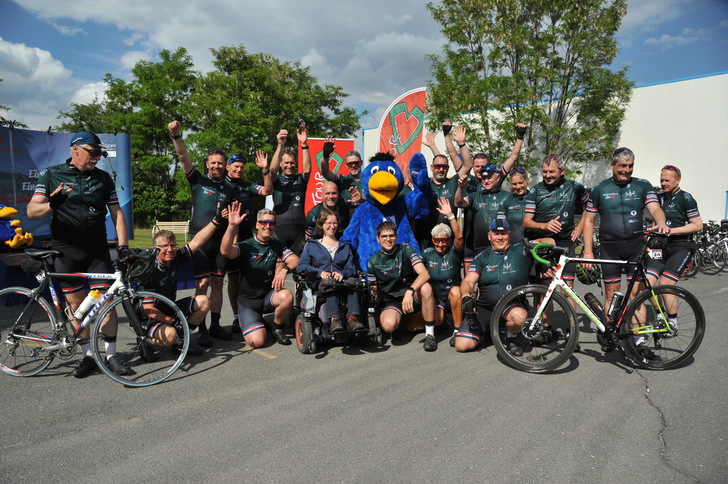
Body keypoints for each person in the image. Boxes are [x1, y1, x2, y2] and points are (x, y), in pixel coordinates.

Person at [27, 131, 130, 378]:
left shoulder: (103, 178)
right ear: (76, 150)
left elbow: (116, 214)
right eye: (92, 152)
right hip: (65, 249)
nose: (97, 157)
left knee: (106, 302)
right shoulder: (52, 175)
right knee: (75, 305)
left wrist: (123, 246)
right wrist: (54, 202)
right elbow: (32, 211)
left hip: (96, 249)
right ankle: (88, 356)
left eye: (99, 153)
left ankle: (111, 355)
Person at [581, 147, 670, 336]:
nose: (627, 170)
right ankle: (610, 333)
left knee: (636, 296)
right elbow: (588, 221)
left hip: (635, 247)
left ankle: (639, 342)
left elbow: (654, 208)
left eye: (630, 166)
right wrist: (588, 251)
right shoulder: (600, 189)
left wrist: (661, 221)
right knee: (611, 293)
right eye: (622, 166)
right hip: (610, 248)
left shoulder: (642, 185)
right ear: (612, 165)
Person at [136, 218, 223, 357]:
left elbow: (197, 242)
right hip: (148, 318)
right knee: (170, 335)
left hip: (168, 309)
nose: (169, 249)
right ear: (155, 249)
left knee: (204, 301)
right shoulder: (150, 270)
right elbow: (148, 310)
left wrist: (215, 222)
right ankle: (145, 341)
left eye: (173, 245)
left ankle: (180, 343)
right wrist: (174, 323)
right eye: (164, 246)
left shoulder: (174, 258)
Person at [220, 202, 299, 348]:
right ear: (257, 225)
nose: (267, 226)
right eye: (264, 222)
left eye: (271, 223)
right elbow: (226, 251)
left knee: (287, 296)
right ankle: (252, 321)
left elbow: (295, 260)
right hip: (247, 302)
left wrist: (284, 270)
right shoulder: (246, 245)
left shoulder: (277, 244)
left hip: (267, 298)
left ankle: (276, 327)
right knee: (258, 341)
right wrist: (231, 226)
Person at [456, 219, 533, 354]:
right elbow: (468, 281)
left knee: (519, 317)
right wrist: (466, 296)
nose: (500, 237)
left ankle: (511, 337)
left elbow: (548, 242)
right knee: (461, 346)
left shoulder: (521, 250)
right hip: (485, 309)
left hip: (510, 306)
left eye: (503, 233)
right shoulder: (482, 257)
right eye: (496, 234)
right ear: (489, 236)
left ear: (509, 234)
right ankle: (489, 331)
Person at [456, 124, 527, 267]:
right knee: (476, 282)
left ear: (497, 178)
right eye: (483, 178)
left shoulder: (507, 195)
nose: (486, 180)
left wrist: (520, 137)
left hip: (501, 244)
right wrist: (460, 188)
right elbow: (458, 203)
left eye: (489, 177)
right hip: (477, 245)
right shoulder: (475, 195)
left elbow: (513, 157)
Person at [219, 151, 272, 337]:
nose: (239, 170)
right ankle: (235, 317)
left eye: (242, 167)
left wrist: (265, 170)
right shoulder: (221, 184)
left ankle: (252, 313)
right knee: (232, 278)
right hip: (226, 236)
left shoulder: (246, 185)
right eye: (236, 167)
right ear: (228, 167)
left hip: (246, 236)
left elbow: (267, 191)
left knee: (248, 276)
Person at [644, 165, 702, 333]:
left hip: (680, 246)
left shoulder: (686, 198)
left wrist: (672, 231)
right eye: (661, 180)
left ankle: (673, 322)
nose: (663, 183)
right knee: (648, 282)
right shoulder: (658, 198)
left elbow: (697, 225)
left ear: (678, 180)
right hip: (660, 246)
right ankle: (660, 317)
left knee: (665, 283)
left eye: (667, 180)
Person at [366, 221, 438, 351]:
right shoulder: (372, 261)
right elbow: (373, 290)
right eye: (384, 236)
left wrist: (410, 291)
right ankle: (400, 324)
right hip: (392, 300)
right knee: (388, 326)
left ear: (397, 237)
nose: (388, 239)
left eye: (392, 235)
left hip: (412, 295)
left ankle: (430, 335)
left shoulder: (406, 249)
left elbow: (425, 274)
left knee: (426, 287)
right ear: (378, 239)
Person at [522, 154, 589, 285]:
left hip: (566, 241)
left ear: (562, 170)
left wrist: (580, 227)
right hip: (544, 243)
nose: (547, 175)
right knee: (545, 290)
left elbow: (590, 207)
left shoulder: (575, 187)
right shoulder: (535, 191)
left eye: (552, 171)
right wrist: (544, 226)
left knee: (568, 289)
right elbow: (526, 222)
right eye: (544, 172)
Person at [297, 209, 364, 333]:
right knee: (330, 282)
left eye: (334, 223)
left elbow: (351, 268)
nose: (332, 226)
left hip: (342, 281)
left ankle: (353, 319)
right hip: (321, 282)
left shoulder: (345, 246)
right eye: (328, 223)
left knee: (354, 282)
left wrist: (342, 273)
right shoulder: (311, 246)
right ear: (321, 224)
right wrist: (320, 273)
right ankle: (335, 319)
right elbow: (301, 266)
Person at [418, 125, 472, 250]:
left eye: (444, 167)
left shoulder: (453, 182)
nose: (441, 169)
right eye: (437, 167)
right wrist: (433, 146)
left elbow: (468, 164)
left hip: (448, 240)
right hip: (426, 239)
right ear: (431, 167)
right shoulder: (425, 184)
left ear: (448, 168)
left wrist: (462, 144)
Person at [421, 198, 464, 348]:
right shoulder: (427, 253)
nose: (440, 244)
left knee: (457, 291)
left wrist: (451, 216)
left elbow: (459, 236)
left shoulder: (454, 252)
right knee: (436, 320)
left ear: (449, 240)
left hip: (453, 296)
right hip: (438, 298)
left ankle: (457, 331)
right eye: (437, 240)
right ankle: (431, 333)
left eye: (444, 241)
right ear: (433, 240)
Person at [269, 126, 311, 256]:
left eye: (292, 163)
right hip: (280, 227)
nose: (289, 166)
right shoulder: (276, 179)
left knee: (299, 268)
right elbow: (272, 170)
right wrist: (280, 145)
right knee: (277, 265)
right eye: (286, 163)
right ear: (281, 164)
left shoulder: (300, 179)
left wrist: (304, 145)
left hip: (298, 228)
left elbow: (308, 170)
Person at [318, 143, 365, 218]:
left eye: (356, 163)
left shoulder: (370, 180)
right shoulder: (342, 179)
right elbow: (325, 173)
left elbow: (378, 198)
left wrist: (362, 198)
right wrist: (326, 155)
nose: (353, 166)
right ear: (346, 165)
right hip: (346, 223)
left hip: (366, 221)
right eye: (350, 164)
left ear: (361, 163)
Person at [502, 168, 530, 244]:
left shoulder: (535, 198)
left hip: (533, 245)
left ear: (527, 181)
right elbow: (501, 225)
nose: (518, 187)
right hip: (513, 245)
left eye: (521, 183)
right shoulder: (507, 201)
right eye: (514, 184)